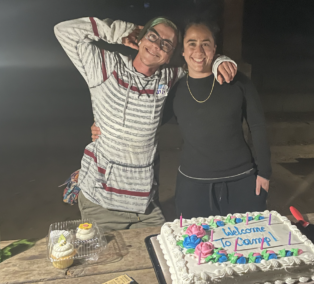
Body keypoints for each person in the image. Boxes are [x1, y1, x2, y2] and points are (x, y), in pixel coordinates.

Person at [54, 16, 237, 232]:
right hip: (102, 202)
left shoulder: (167, 77)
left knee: (163, 258)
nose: (157, 45)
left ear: (169, 56)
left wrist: (218, 60)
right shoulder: (104, 65)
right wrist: (122, 31)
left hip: (146, 205)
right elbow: (64, 30)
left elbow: (198, 60)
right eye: (152, 36)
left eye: (166, 44)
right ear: (140, 39)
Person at [92, 18, 271, 219]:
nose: (199, 50)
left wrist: (264, 172)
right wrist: (107, 125)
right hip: (193, 184)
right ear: (183, 51)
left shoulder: (236, 81)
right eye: (192, 44)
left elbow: (257, 125)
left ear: (214, 48)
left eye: (206, 44)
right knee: (194, 245)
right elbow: (145, 118)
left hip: (242, 178)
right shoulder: (173, 88)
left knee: (247, 244)